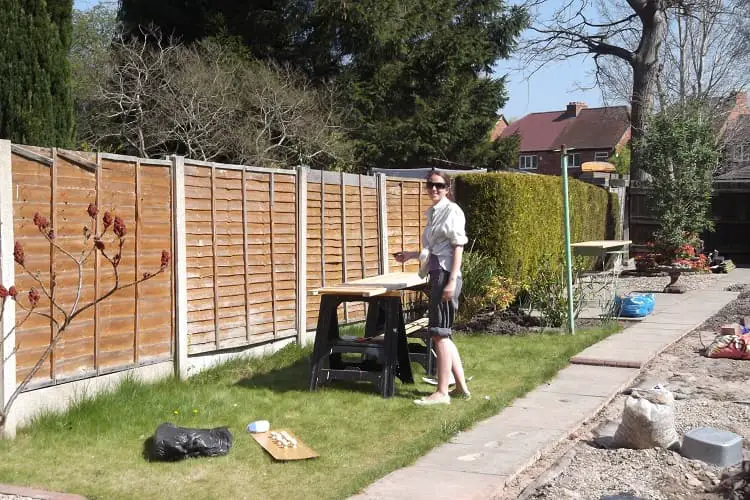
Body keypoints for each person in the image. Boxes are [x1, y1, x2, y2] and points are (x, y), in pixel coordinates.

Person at [394, 169, 471, 405]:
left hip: (446, 276)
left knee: (439, 334)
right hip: (438, 273)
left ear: (447, 188)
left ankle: (441, 393)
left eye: (439, 185)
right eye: (430, 185)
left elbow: (458, 247)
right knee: (443, 334)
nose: (433, 189)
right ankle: (460, 388)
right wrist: (412, 255)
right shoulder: (434, 212)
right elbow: (438, 249)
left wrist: (450, 281)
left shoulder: (451, 211)